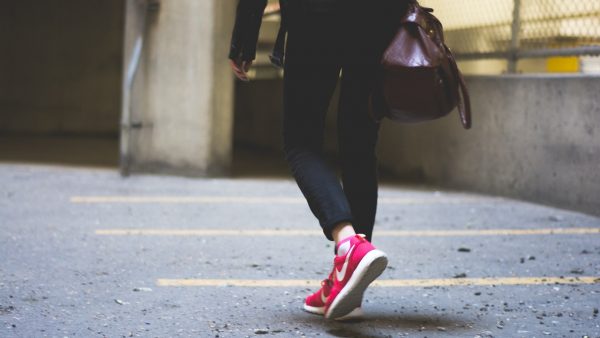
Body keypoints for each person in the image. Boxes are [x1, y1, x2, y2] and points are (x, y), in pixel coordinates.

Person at [229, 0, 407, 320]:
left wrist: (244, 35)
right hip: (379, 15)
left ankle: (348, 245)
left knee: (301, 141)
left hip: (317, 13)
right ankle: (349, 288)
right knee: (359, 143)